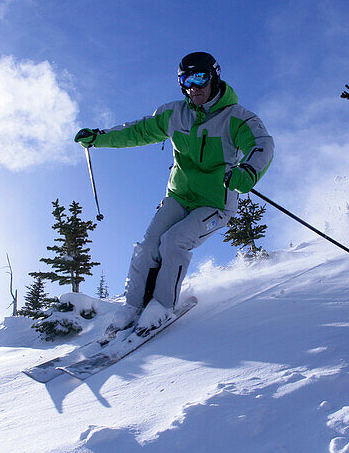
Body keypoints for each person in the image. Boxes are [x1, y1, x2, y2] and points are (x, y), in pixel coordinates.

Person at [74, 51, 274, 334]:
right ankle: (132, 307)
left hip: (215, 202)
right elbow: (138, 131)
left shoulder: (236, 118)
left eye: (200, 78)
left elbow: (262, 143)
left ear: (214, 77)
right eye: (186, 80)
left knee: (173, 242)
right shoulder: (174, 114)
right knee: (147, 247)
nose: (194, 87)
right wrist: (99, 138)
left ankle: (161, 307)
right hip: (179, 196)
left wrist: (248, 171)